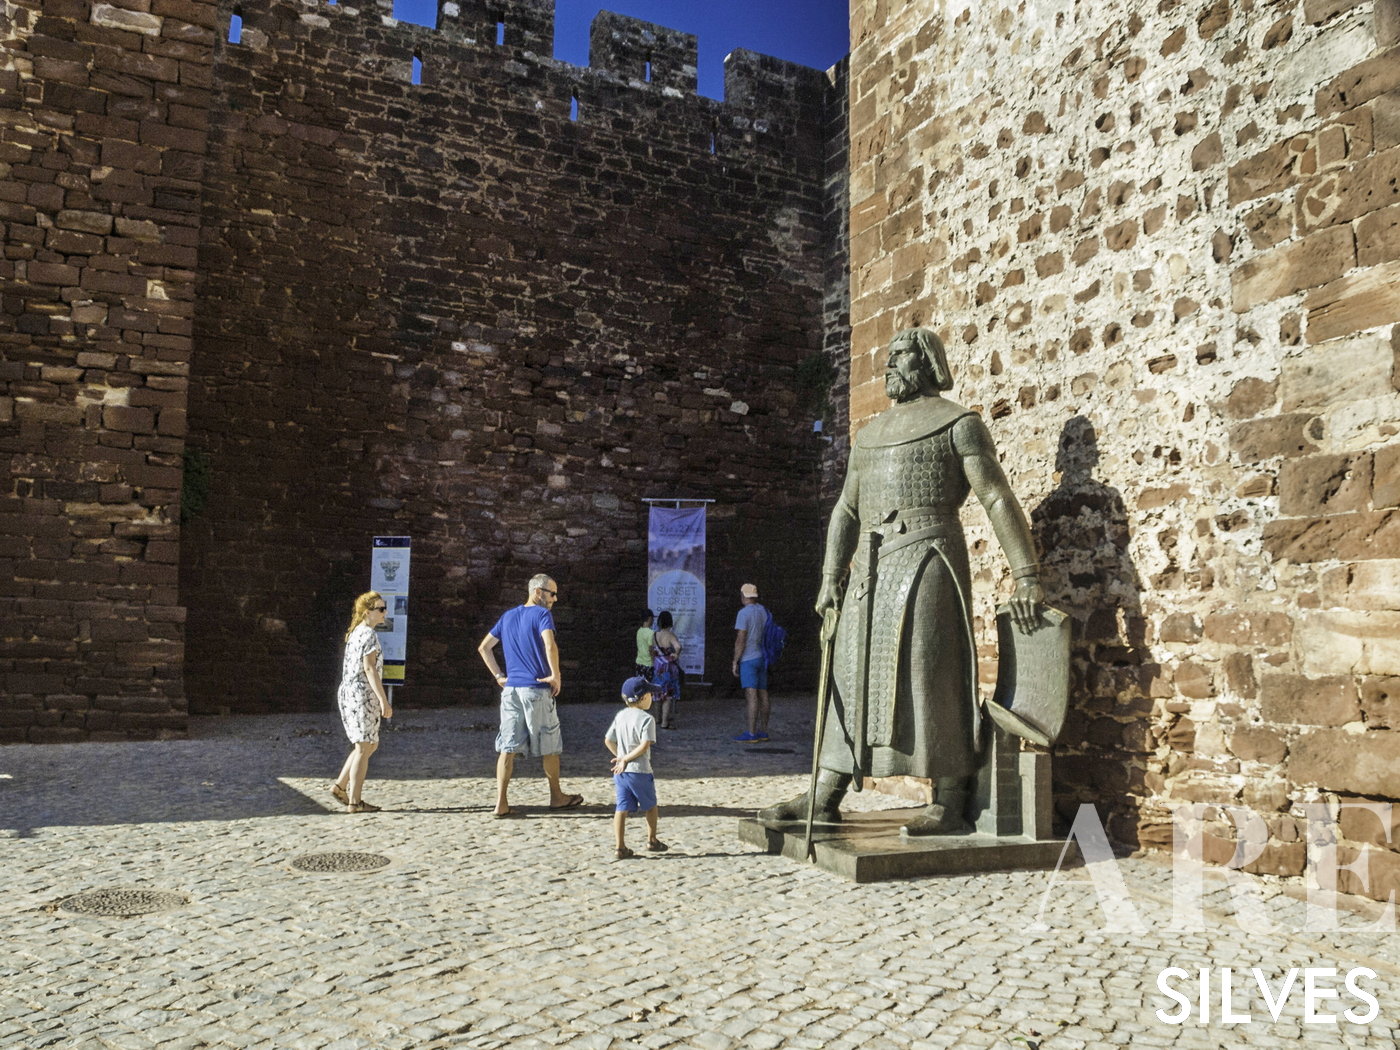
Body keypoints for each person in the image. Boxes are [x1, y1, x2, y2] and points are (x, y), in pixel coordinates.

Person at [758, 327, 1043, 836]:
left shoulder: (959, 425)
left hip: (929, 558)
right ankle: (824, 796)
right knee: (850, 676)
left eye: (902, 357)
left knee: (930, 672)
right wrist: (829, 576)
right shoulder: (868, 435)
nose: (890, 367)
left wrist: (1026, 574)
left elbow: (995, 497)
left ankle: (950, 795)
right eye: (888, 358)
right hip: (869, 569)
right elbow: (846, 509)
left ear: (928, 363)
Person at [477, 573, 584, 817]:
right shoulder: (542, 614)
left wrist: (498, 676)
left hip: (511, 691)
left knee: (507, 746)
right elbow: (550, 644)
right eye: (552, 593)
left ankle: (500, 803)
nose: (555, 599)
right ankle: (556, 796)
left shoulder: (507, 616)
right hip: (535, 689)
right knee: (550, 745)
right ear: (538, 592)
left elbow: (484, 648)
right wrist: (556, 674)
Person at [331, 591, 393, 813]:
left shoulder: (356, 632)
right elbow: (369, 670)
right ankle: (355, 802)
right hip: (361, 695)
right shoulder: (368, 635)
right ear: (368, 612)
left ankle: (340, 786)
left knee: (368, 744)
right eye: (381, 609)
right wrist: (383, 701)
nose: (385, 612)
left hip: (350, 692)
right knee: (363, 747)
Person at [605, 675, 669, 860]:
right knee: (650, 806)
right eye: (650, 694)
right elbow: (644, 745)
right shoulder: (647, 719)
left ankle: (620, 846)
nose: (652, 697)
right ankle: (652, 839)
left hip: (621, 773)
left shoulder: (620, 715)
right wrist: (626, 758)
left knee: (621, 808)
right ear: (642, 698)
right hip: (639, 770)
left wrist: (619, 757)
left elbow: (608, 740)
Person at [731, 583, 770, 742]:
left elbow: (741, 638)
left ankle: (751, 733)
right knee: (763, 693)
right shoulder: (764, 611)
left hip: (748, 658)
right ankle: (764, 731)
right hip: (762, 656)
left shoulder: (743, 613)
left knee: (751, 695)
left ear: (744, 596)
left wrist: (735, 660)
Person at [650, 610, 682, 730]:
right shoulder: (670, 635)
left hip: (658, 665)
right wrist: (675, 655)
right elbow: (678, 646)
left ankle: (657, 718)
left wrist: (655, 660)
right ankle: (665, 722)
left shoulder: (654, 635)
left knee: (657, 694)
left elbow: (652, 651)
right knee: (668, 695)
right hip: (668, 667)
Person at [634, 610, 656, 680]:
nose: (653, 621)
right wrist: (655, 663)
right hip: (648, 664)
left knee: (641, 687)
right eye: (653, 619)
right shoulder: (651, 633)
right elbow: (651, 649)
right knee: (649, 688)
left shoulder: (639, 631)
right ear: (649, 618)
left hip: (639, 663)